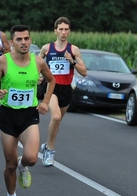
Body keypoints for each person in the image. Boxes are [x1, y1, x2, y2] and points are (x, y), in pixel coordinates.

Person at [0, 25, 55, 196]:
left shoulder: (39, 62)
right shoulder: (2, 61)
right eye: (19, 39)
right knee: (8, 165)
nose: (24, 42)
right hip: (8, 115)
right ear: (11, 43)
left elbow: (52, 80)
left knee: (32, 158)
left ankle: (22, 165)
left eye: (26, 39)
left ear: (30, 40)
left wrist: (46, 101)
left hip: (28, 114)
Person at [38, 17, 87, 166]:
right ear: (55, 31)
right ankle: (50, 151)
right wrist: (38, 76)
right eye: (61, 29)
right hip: (51, 87)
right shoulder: (47, 49)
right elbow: (36, 64)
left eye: (66, 29)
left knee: (57, 122)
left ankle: (47, 145)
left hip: (66, 89)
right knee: (56, 117)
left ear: (69, 31)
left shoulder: (73, 50)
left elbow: (84, 72)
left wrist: (72, 61)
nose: (63, 32)